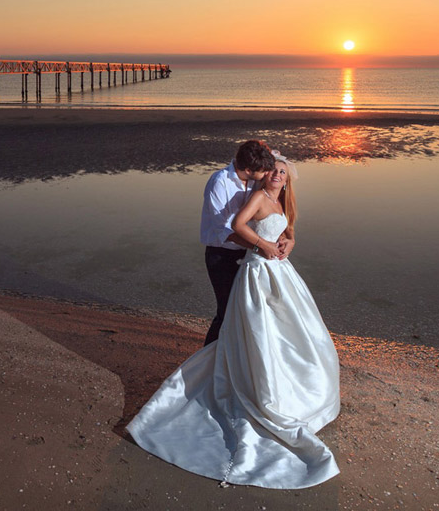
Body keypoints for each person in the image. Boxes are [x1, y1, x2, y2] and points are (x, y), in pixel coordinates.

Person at [127, 151, 340, 489]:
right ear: (261, 172)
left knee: (277, 328)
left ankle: (262, 374)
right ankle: (217, 377)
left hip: (272, 268)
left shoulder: (276, 195)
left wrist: (289, 240)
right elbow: (231, 226)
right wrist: (262, 246)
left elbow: (288, 226)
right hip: (237, 261)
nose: (277, 175)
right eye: (273, 170)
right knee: (236, 321)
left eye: (282, 172)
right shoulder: (234, 186)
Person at [199, 140, 277, 346]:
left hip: (249, 254)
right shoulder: (219, 182)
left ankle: (237, 357)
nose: (267, 174)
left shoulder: (255, 179)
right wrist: (260, 246)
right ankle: (207, 359)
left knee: (248, 308)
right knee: (226, 310)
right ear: (249, 169)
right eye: (263, 171)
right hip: (221, 255)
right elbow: (224, 229)